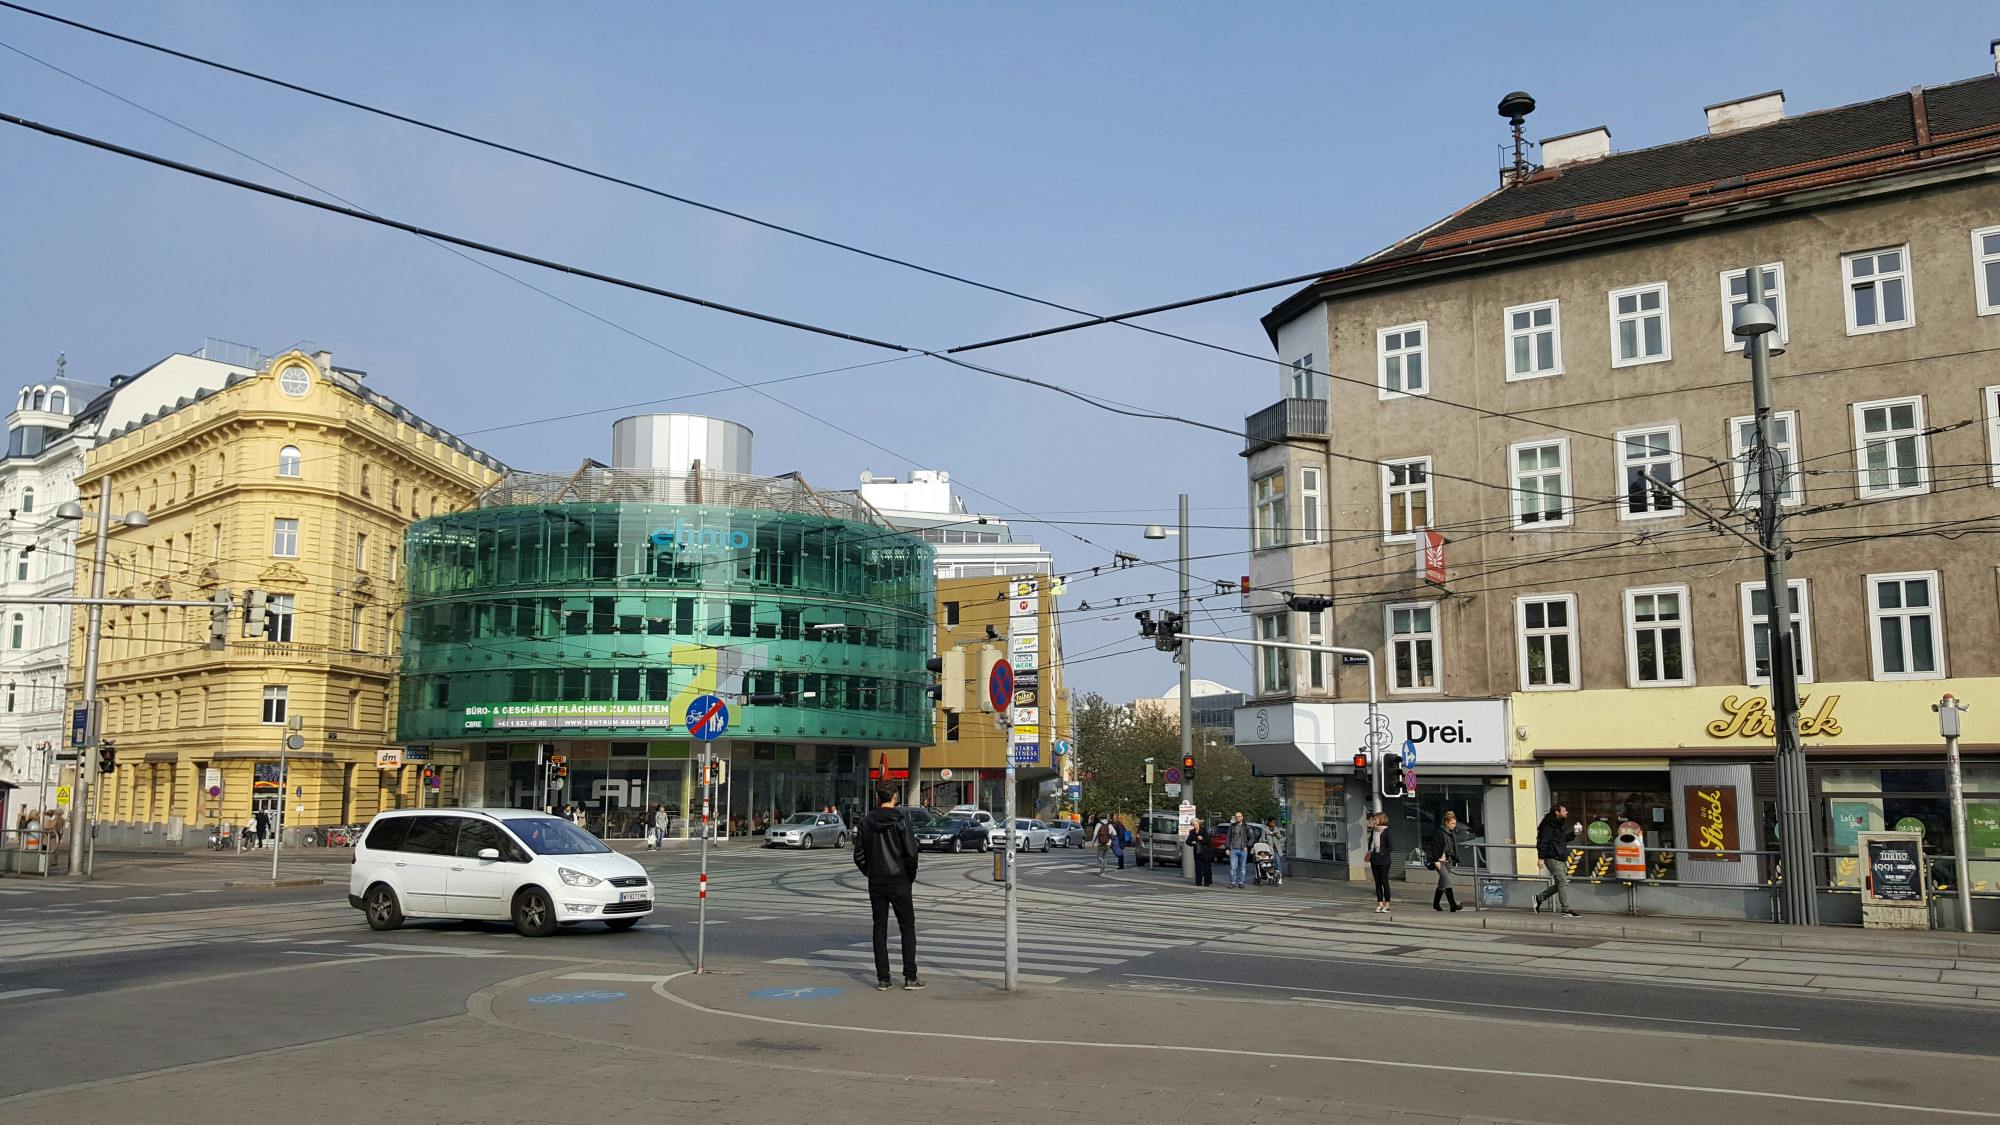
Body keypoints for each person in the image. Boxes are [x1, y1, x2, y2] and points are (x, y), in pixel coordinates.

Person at [853, 785, 923, 991]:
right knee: (907, 928)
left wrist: (871, 872)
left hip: (877, 881)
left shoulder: (866, 821)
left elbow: (858, 855)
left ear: (877, 797)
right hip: (900, 880)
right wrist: (909, 876)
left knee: (879, 928)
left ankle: (883, 978)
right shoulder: (901, 820)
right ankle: (910, 977)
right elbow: (911, 852)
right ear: (894, 796)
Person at [1532, 802, 1581, 918]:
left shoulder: (1558, 824)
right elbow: (1542, 841)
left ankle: (1539, 898)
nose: (1566, 812)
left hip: (1559, 857)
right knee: (1563, 882)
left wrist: (1574, 833)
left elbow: (1562, 839)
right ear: (1557, 812)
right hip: (1552, 857)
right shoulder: (1548, 825)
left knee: (1561, 882)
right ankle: (1565, 909)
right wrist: (1541, 858)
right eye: (1564, 811)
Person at [1429, 810, 1463, 912]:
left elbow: (1453, 847)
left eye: (1455, 823)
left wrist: (1455, 857)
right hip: (1439, 861)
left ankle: (1436, 904)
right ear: (1446, 823)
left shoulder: (1452, 834)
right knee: (1447, 881)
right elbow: (1434, 847)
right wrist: (1436, 860)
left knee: (1442, 883)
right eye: (1452, 823)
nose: (1454, 826)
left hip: (1448, 860)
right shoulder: (1439, 832)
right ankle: (1453, 904)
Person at [1365, 811, 1393, 912]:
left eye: (1375, 819)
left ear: (1381, 820)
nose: (1374, 821)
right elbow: (1370, 842)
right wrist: (1371, 852)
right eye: (1373, 819)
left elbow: (1390, 847)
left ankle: (1387, 905)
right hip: (1374, 860)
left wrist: (1381, 853)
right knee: (1377, 883)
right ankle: (1380, 904)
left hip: (1384, 861)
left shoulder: (1386, 831)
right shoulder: (1374, 830)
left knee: (1385, 882)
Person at [1225, 812, 1252, 888]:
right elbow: (1228, 838)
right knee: (1232, 868)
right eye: (1236, 817)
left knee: (1242, 867)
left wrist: (1247, 846)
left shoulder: (1246, 826)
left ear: (1242, 817)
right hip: (1233, 850)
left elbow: (1252, 838)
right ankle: (1232, 882)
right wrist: (1227, 848)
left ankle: (1241, 882)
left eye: (1239, 816)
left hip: (1243, 850)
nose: (1237, 818)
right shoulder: (1231, 826)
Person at [1186, 819, 1214, 886]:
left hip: (1205, 851)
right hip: (1197, 852)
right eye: (1194, 825)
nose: (1195, 826)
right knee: (1198, 867)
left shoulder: (1204, 830)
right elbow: (1187, 841)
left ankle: (1207, 882)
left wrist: (1202, 839)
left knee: (1206, 867)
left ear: (1199, 824)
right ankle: (1198, 882)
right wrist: (1192, 842)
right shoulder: (1192, 832)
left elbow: (1209, 840)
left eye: (1196, 824)